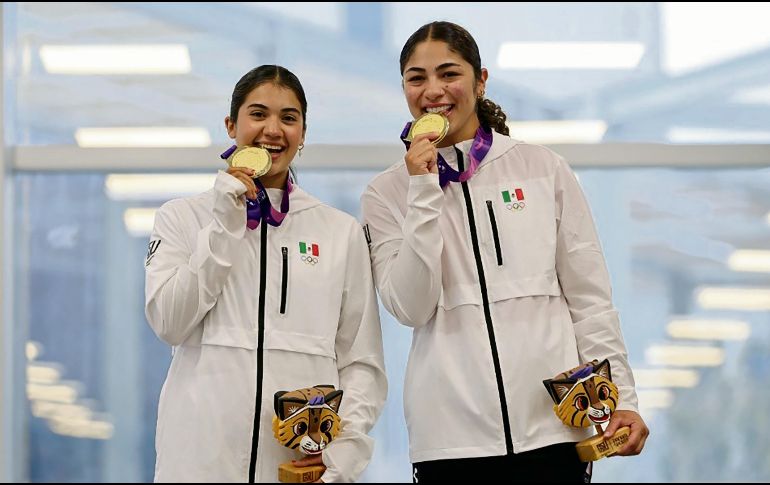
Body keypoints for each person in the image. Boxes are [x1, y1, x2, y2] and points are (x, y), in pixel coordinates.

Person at [361, 21, 648, 482]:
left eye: (448, 73)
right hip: (450, 440)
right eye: (417, 79)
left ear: (480, 80)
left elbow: (590, 300)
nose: (433, 90)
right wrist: (422, 190)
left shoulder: (542, 169)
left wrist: (623, 399)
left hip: (555, 428)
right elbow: (411, 307)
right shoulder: (386, 193)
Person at [145, 65, 387, 483]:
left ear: (303, 134)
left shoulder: (339, 231)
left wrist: (343, 451)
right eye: (258, 114)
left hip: (298, 466)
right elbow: (169, 322)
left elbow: (361, 361)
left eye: (288, 118)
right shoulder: (182, 218)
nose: (272, 130)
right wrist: (223, 225)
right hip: (200, 461)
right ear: (231, 125)